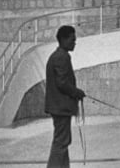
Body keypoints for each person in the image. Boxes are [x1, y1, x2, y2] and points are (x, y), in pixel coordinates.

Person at [45, 25, 86, 168]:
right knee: (61, 143)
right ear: (63, 39)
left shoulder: (59, 55)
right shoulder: (61, 57)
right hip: (60, 107)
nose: (74, 43)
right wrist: (77, 92)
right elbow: (62, 83)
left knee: (63, 141)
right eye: (72, 39)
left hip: (59, 106)